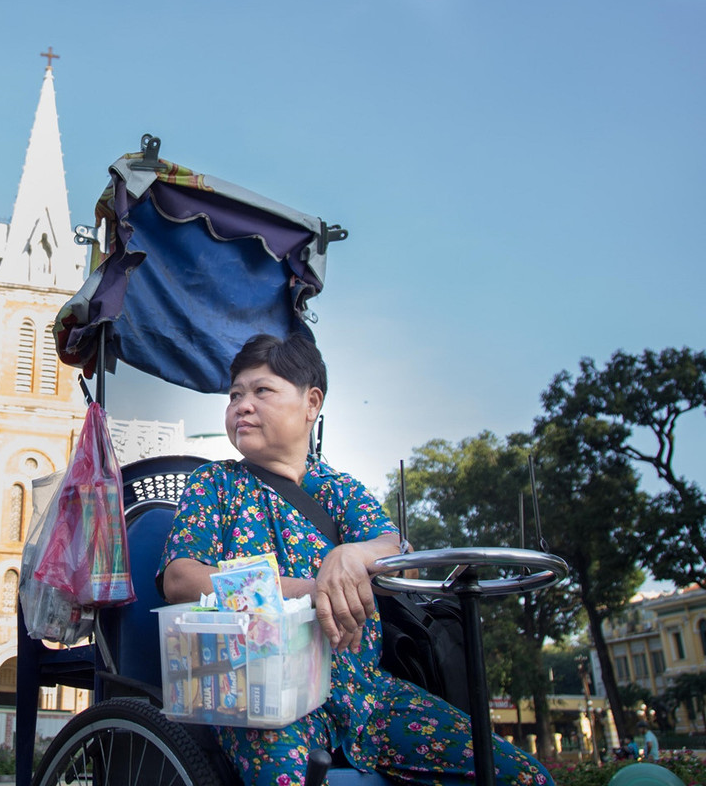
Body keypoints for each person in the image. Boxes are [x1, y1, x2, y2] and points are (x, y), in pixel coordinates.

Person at [159, 333, 553, 786]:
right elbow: (181, 579)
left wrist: (352, 554)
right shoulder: (213, 483)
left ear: (311, 403)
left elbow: (397, 553)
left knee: (523, 777)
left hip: (366, 693)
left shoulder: (340, 490)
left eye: (261, 390)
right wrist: (312, 592)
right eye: (234, 395)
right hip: (256, 692)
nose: (242, 406)